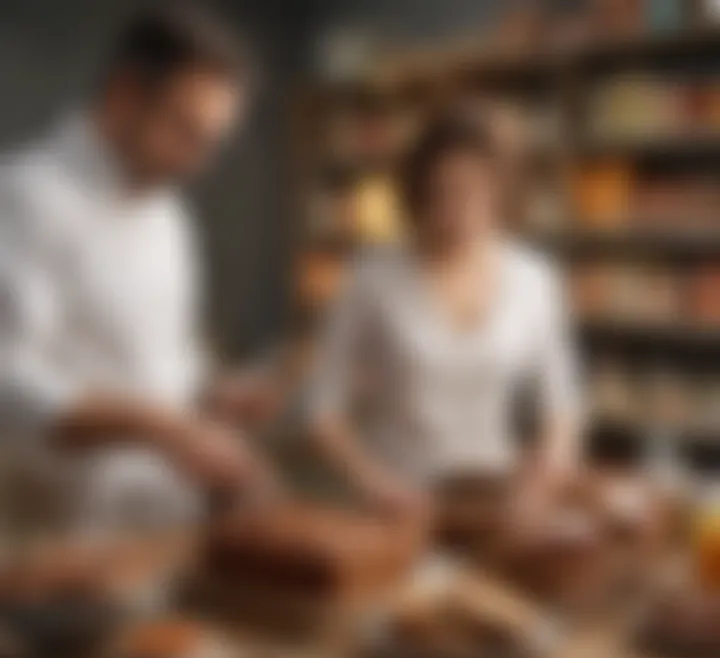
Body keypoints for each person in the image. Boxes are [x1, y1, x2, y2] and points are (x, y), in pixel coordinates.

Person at [0, 4, 278, 538]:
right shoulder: (26, 196)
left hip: (163, 520)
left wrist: (210, 394)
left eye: (213, 142)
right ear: (125, 94)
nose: (200, 162)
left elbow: (160, 361)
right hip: (59, 538)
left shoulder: (171, 216)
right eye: (186, 130)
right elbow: (8, 385)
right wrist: (162, 426)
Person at [310, 106, 582, 524]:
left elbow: (562, 401)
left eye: (476, 191)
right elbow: (322, 409)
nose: (460, 210)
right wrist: (373, 484)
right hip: (396, 503)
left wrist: (552, 459)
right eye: (444, 192)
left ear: (502, 190)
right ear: (419, 192)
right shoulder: (373, 276)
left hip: (494, 505)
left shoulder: (533, 279)